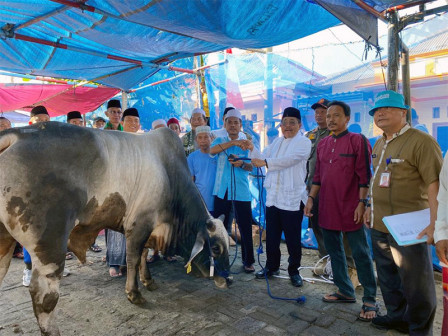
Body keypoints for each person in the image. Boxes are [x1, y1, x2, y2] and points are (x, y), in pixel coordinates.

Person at [364, 90, 442, 334]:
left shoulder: (421, 141)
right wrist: (368, 206)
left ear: (403, 112)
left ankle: (420, 328)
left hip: (410, 228)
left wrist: (435, 223)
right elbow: (375, 178)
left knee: (417, 284)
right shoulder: (379, 142)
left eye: (387, 108)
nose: (380, 114)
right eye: (377, 111)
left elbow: (435, 184)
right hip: (379, 224)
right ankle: (397, 317)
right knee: (387, 277)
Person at [304, 101, 377, 321]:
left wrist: (362, 203)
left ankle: (370, 299)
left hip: (351, 207)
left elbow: (365, 176)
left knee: (360, 253)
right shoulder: (323, 143)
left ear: (347, 118)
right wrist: (310, 199)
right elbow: (317, 177)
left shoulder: (358, 141)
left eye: (336, 115)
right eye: (328, 116)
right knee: (333, 252)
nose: (331, 119)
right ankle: (345, 291)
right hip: (326, 206)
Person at [250, 107, 311, 287]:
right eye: (284, 123)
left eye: (292, 123)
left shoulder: (304, 142)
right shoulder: (276, 142)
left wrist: (266, 162)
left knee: (293, 239)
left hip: (292, 199)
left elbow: (290, 160)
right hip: (274, 198)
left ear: (299, 125)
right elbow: (260, 156)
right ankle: (272, 266)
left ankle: (294, 271)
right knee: (272, 237)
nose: (288, 126)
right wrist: (251, 147)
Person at [305, 98, 355, 275]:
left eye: (323, 112)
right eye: (317, 112)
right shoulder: (309, 135)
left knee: (341, 227)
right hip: (313, 188)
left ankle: (347, 264)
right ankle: (325, 259)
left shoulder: (340, 136)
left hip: (335, 190)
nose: (320, 115)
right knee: (318, 224)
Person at [23, 108, 70, 286]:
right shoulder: (24, 139)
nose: (43, 122)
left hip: (54, 195)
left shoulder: (57, 140)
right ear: (31, 122)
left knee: (54, 233)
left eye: (46, 119)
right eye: (38, 119)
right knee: (30, 234)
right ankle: (28, 269)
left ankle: (52, 266)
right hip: (31, 195)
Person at [210, 108, 255, 273]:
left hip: (241, 191)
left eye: (236, 122)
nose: (233, 125)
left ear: (241, 125)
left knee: (245, 226)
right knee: (219, 226)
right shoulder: (220, 140)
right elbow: (211, 151)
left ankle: (248, 261)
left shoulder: (248, 142)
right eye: (230, 122)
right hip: (222, 190)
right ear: (225, 124)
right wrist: (233, 143)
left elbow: (252, 166)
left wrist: (242, 164)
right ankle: (219, 260)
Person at [187, 126, 217, 214]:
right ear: (196, 140)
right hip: (199, 202)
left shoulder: (218, 155)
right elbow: (191, 181)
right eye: (200, 137)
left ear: (211, 138)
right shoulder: (192, 157)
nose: (203, 140)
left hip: (217, 201)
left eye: (206, 137)